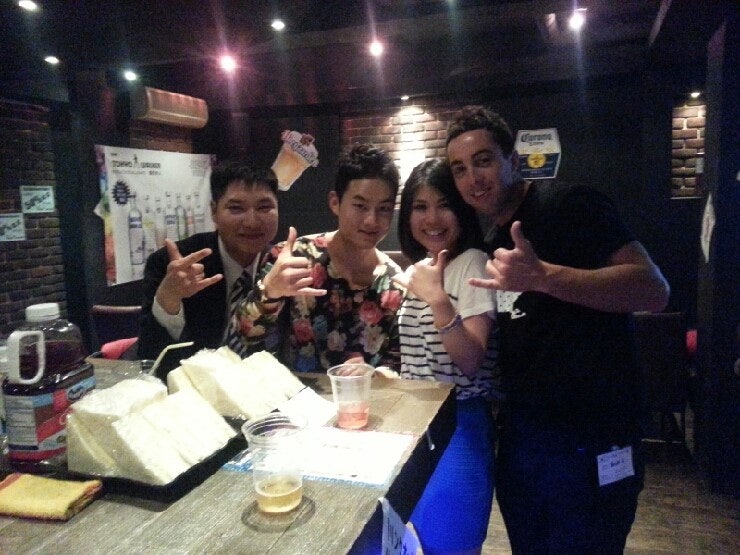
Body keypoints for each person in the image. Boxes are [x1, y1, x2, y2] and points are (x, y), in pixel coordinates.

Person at [446, 105, 671, 553]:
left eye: (483, 160)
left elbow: (653, 289)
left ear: (513, 160)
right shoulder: (491, 245)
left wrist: (544, 277)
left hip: (595, 435)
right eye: (460, 169)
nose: (473, 178)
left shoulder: (569, 204)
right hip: (525, 442)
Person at [394, 159, 500, 555]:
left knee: (449, 542)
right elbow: (422, 357)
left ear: (462, 211)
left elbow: (471, 360)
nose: (432, 219)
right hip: (418, 424)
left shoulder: (473, 263)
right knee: (418, 539)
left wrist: (439, 300)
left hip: (460, 424)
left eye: (444, 205)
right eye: (420, 207)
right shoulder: (425, 267)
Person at [234, 143, 405, 372]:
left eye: (383, 208)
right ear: (335, 202)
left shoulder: (395, 284)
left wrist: (375, 374)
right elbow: (245, 335)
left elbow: (398, 363)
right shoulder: (295, 258)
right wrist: (269, 292)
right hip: (294, 392)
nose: (371, 220)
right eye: (360, 206)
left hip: (363, 395)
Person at [138, 162, 279, 377]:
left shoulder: (283, 265)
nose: (251, 222)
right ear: (214, 211)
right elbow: (149, 360)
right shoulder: (175, 265)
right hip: (195, 389)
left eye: (264, 207)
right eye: (236, 208)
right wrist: (168, 300)